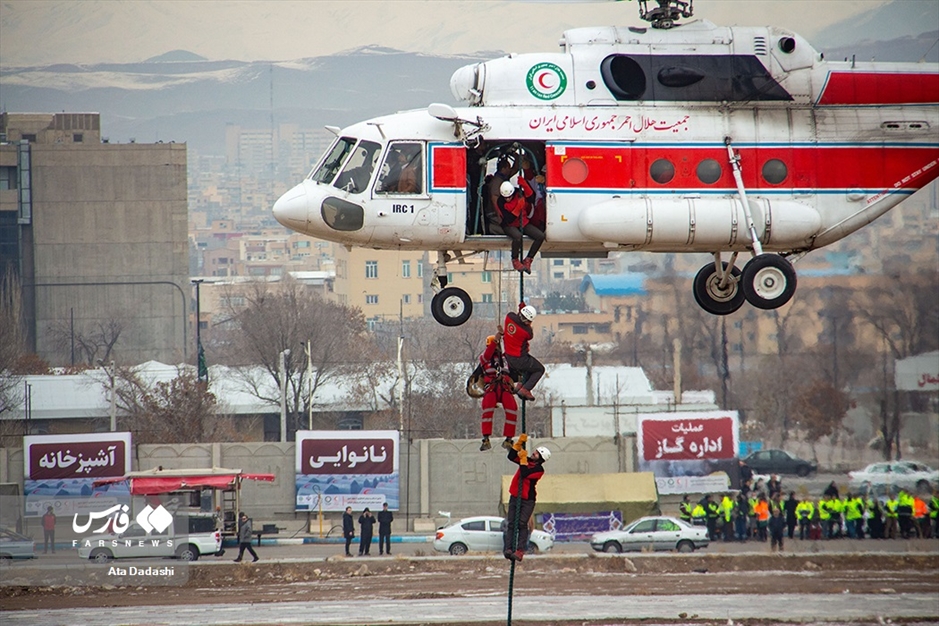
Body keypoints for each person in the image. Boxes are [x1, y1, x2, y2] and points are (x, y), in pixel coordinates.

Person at [502, 433, 550, 562]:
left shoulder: (539, 470)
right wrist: (517, 445)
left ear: (541, 458)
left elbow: (525, 473)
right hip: (515, 495)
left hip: (527, 499)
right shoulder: (526, 460)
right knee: (511, 523)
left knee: (522, 524)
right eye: (535, 452)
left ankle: (520, 550)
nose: (534, 453)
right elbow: (511, 456)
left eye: (537, 453)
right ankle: (509, 548)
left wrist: (523, 460)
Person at [477, 331, 518, 451]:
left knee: (512, 410)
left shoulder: (504, 358)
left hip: (504, 387)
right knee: (487, 411)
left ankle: (509, 439)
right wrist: (496, 339)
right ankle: (486, 438)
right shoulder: (484, 358)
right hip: (492, 387)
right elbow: (488, 353)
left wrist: (507, 338)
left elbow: (511, 354)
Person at [497, 178, 544, 274]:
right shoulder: (500, 202)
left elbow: (531, 198)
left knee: (540, 236)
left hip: (523, 222)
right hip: (509, 225)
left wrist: (525, 186)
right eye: (506, 198)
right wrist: (518, 208)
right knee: (517, 237)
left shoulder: (519, 193)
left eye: (509, 197)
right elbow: (509, 219)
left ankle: (528, 259)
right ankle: (515, 260)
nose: (507, 199)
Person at [503, 302, 545, 402]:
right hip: (519, 359)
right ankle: (525, 389)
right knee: (539, 369)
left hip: (508, 356)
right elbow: (529, 333)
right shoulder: (527, 332)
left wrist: (522, 309)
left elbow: (517, 317)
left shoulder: (509, 317)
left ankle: (520, 385)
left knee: (529, 367)